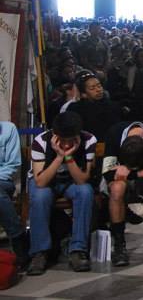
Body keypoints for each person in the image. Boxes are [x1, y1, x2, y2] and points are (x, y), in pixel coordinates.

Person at [27, 111, 97, 275]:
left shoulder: (89, 140)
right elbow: (40, 182)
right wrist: (59, 156)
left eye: (70, 140)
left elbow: (81, 180)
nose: (66, 145)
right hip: (46, 180)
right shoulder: (40, 142)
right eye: (61, 140)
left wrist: (69, 156)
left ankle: (78, 250)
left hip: (72, 180)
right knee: (40, 195)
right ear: (54, 134)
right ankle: (40, 252)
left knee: (85, 192)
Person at [101, 121, 143, 265]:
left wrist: (131, 172)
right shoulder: (114, 133)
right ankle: (119, 245)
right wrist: (139, 173)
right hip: (125, 177)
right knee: (117, 189)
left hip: (141, 176)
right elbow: (107, 174)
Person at [0, 121, 27, 267]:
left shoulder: (8, 129)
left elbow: (13, 164)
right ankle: (19, 236)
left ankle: (17, 237)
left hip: (2, 180)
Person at [68, 70, 124, 141]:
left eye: (99, 86)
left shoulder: (113, 106)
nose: (98, 90)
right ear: (83, 94)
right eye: (92, 88)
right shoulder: (75, 108)